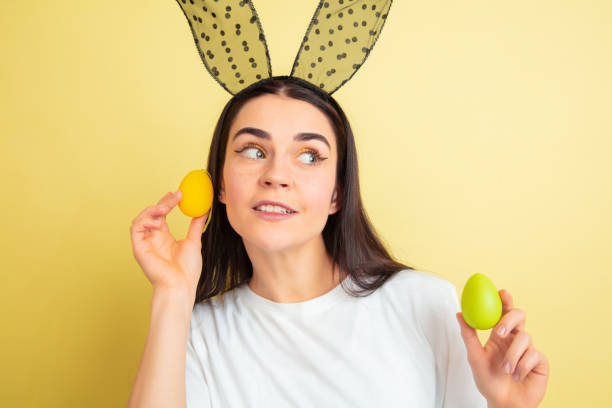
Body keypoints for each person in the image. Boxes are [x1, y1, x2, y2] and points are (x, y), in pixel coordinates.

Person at [127, 76, 549, 408]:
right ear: (219, 184)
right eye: (253, 150)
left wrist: (505, 406)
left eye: (309, 155)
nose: (276, 174)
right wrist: (171, 296)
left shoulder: (426, 304)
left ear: (337, 194)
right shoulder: (194, 332)